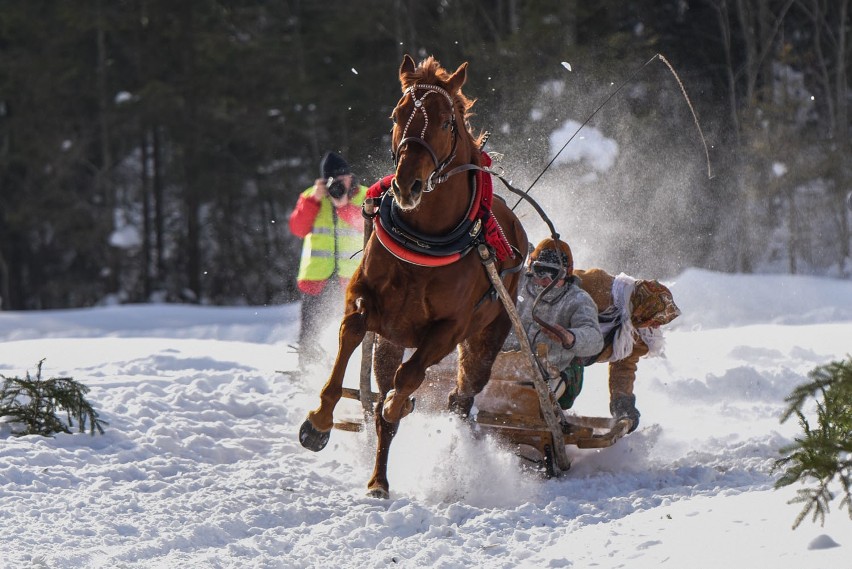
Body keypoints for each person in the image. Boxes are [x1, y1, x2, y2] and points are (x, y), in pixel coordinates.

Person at [573, 267, 681, 432]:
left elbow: (624, 366)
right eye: (655, 317)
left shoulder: (638, 331)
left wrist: (623, 404)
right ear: (644, 307)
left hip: (573, 358)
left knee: (571, 386)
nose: (656, 325)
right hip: (552, 338)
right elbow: (564, 285)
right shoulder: (600, 286)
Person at [289, 151, 368, 371]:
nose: (339, 183)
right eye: (333, 179)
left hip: (353, 279)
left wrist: (343, 205)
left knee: (352, 329)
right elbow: (297, 228)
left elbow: (367, 227)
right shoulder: (311, 197)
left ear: (351, 176)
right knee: (310, 331)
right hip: (317, 278)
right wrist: (313, 200)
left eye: (343, 177)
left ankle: (350, 371)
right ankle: (307, 370)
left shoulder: (364, 195)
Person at [503, 238, 604, 409]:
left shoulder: (577, 299)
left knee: (529, 402)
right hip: (503, 366)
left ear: (567, 273)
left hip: (551, 373)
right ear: (531, 268)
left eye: (554, 274)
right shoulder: (515, 284)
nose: (546, 281)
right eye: (540, 272)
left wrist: (571, 337)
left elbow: (595, 339)